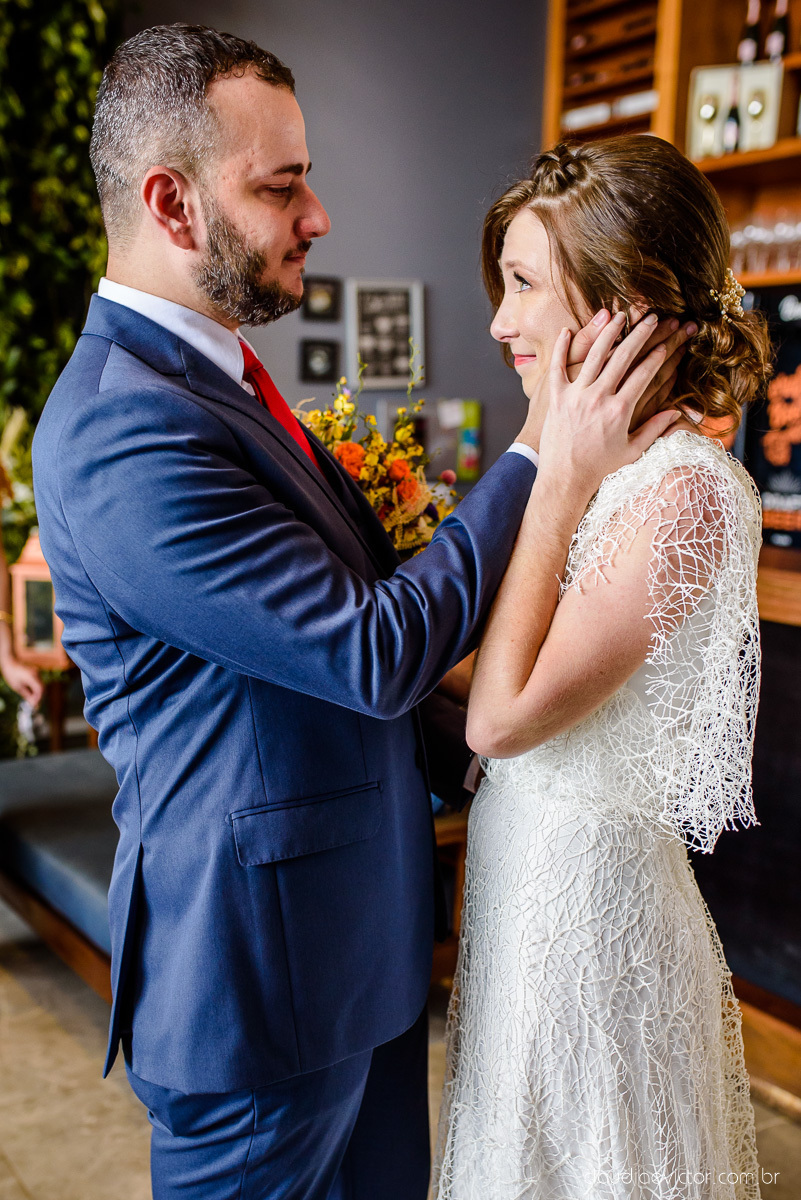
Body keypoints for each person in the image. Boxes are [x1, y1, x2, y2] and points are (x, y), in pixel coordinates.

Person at [32, 25, 688, 1200]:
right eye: (281, 184)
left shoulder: (216, 378)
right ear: (171, 203)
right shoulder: (122, 426)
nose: (317, 214)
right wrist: (543, 451)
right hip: (257, 995)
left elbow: (319, 657)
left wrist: (517, 766)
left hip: (354, 950)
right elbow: (371, 647)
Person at [433, 136, 769, 1200]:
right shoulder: (609, 471)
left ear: (624, 303)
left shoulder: (683, 494)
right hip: (529, 897)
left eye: (525, 284)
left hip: (593, 925)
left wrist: (561, 479)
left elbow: (500, 717)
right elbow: (497, 667)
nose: (499, 320)